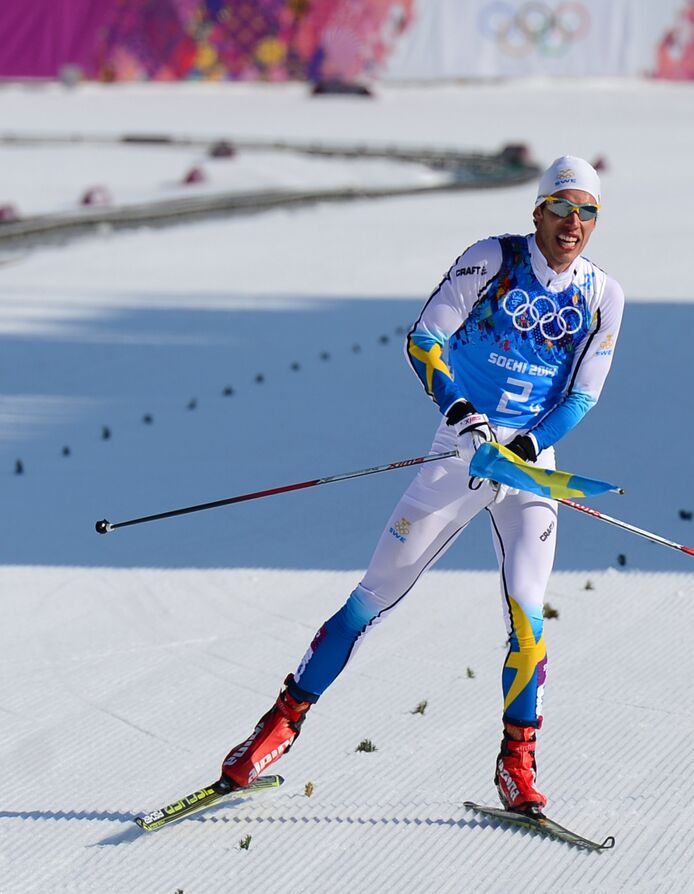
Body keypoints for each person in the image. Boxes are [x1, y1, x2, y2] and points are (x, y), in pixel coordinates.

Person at [217, 156, 623, 817]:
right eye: (562, 207)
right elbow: (425, 340)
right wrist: (462, 413)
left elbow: (583, 394)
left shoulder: (604, 295)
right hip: (461, 452)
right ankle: (278, 728)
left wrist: (524, 444)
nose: (573, 223)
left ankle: (517, 765)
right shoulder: (492, 258)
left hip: (527, 465)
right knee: (370, 598)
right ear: (538, 210)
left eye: (587, 212)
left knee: (529, 615)